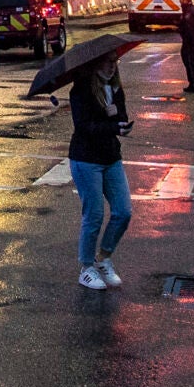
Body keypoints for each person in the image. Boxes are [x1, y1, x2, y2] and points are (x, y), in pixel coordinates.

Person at [69, 50, 134, 288]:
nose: (112, 68)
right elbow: (84, 127)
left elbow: (122, 115)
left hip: (111, 156)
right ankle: (86, 268)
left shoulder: (115, 88)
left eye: (114, 63)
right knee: (94, 216)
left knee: (123, 212)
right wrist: (113, 126)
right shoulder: (81, 90)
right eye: (107, 63)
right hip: (86, 159)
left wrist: (123, 125)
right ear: (95, 64)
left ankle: (103, 258)